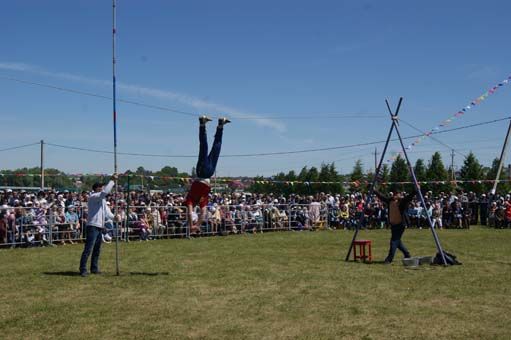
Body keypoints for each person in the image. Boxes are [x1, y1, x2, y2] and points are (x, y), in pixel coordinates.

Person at [185, 116, 230, 234]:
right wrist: (195, 226)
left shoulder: (191, 200)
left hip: (203, 174)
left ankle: (204, 124)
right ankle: (219, 125)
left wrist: (192, 226)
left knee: (208, 148)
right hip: (207, 174)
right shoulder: (200, 201)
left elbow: (193, 212)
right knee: (212, 148)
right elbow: (202, 213)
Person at [79, 174, 117, 277]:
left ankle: (94, 268)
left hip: (100, 226)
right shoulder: (94, 196)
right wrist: (112, 181)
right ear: (95, 189)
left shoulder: (102, 200)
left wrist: (114, 217)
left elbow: (107, 212)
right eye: (100, 187)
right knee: (88, 249)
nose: (102, 188)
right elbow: (105, 192)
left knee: (97, 249)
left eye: (102, 186)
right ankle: (83, 269)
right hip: (92, 226)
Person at [374, 188, 417, 264]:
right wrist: (374, 190)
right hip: (393, 225)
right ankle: (407, 255)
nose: (395, 195)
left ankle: (389, 259)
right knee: (397, 242)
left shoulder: (402, 202)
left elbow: (409, 197)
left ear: (400, 195)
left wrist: (415, 190)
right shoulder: (389, 200)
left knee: (393, 241)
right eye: (394, 194)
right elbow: (381, 196)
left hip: (400, 225)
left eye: (397, 194)